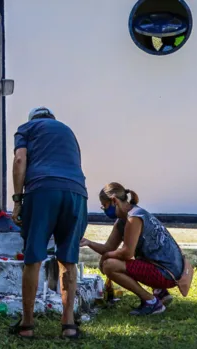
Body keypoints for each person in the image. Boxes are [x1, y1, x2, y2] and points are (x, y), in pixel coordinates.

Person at [10, 107, 88, 339]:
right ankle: (69, 325)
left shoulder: (26, 128)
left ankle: (27, 325)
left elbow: (20, 159)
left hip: (42, 190)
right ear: (52, 119)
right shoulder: (68, 131)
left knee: (33, 258)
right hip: (76, 193)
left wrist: (17, 200)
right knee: (69, 259)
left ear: (32, 120)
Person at [80, 182, 184, 315]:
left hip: (168, 273)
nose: (105, 210)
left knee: (109, 266)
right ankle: (160, 292)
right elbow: (108, 248)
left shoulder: (134, 218)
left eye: (104, 206)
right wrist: (88, 242)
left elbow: (127, 253)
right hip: (167, 268)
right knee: (112, 261)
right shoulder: (123, 220)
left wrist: (106, 257)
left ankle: (152, 303)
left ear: (114, 201)